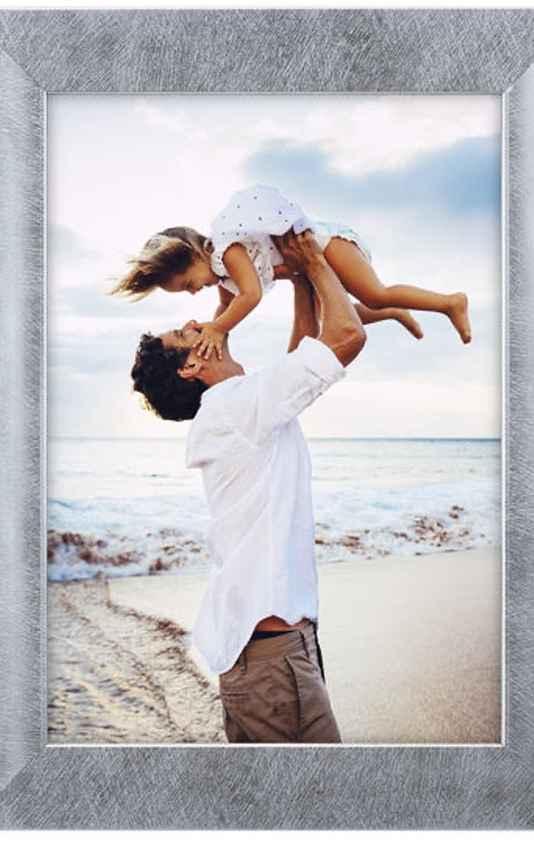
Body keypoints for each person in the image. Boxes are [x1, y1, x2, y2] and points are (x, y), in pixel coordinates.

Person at [130, 229, 367, 743]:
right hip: (272, 658)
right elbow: (347, 337)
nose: (197, 321)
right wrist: (313, 260)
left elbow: (300, 355)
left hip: (266, 653)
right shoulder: (237, 406)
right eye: (184, 331)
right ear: (193, 365)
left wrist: (304, 281)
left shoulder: (237, 407)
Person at [113, 184, 471, 361]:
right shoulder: (222, 276)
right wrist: (215, 331)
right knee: (323, 317)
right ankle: (393, 312)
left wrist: (219, 329)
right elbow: (225, 308)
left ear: (195, 253)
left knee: (374, 293)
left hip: (327, 243)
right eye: (187, 292)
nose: (194, 292)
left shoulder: (227, 250)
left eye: (189, 283)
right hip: (310, 262)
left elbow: (250, 297)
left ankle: (449, 302)